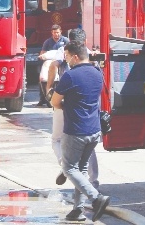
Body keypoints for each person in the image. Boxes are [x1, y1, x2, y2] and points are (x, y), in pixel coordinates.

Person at [50, 42, 110, 222]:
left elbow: (54, 101)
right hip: (94, 130)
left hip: (75, 130)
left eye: (67, 56)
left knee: (68, 168)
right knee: (81, 169)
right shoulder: (98, 73)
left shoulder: (70, 76)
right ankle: (78, 210)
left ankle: (96, 198)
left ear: (75, 56)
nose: (66, 60)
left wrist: (65, 104)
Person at [45, 28, 99, 189]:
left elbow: (53, 65)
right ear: (85, 41)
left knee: (57, 139)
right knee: (89, 144)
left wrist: (49, 88)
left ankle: (66, 167)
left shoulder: (64, 51)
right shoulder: (89, 54)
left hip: (65, 100)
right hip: (88, 104)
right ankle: (93, 181)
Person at [38, 24, 69, 105]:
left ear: (61, 32)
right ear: (52, 32)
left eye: (58, 32)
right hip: (50, 62)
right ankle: (43, 98)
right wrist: (42, 56)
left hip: (63, 62)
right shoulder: (47, 42)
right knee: (43, 78)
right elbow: (43, 53)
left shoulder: (65, 40)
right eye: (55, 32)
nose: (56, 34)